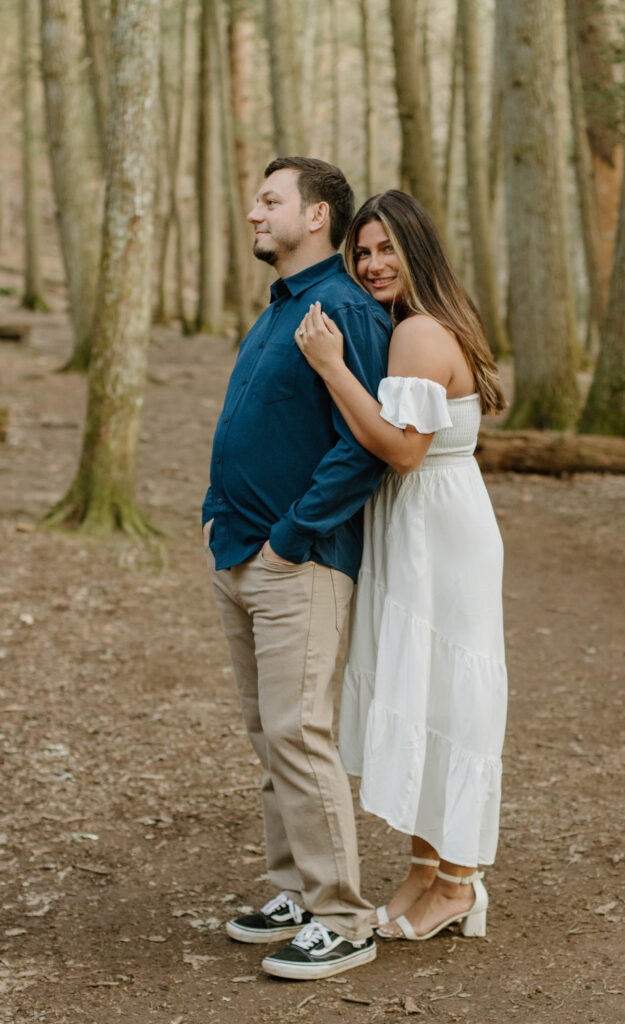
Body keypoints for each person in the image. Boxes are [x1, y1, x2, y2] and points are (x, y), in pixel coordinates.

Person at [295, 189, 507, 942]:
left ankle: (457, 883)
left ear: (416, 252)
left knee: (446, 699)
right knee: (421, 697)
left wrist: (328, 366)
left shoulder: (418, 331)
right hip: (419, 528)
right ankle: (425, 872)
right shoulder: (418, 323)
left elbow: (403, 450)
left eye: (387, 249)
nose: (372, 263)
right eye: (363, 252)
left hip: (439, 530)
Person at [202, 158, 392, 979]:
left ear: (316, 217)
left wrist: (291, 536)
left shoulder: (346, 308)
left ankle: (343, 917)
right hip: (239, 551)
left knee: (298, 733)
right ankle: (295, 892)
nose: (253, 212)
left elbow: (367, 446)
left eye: (269, 200)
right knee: (267, 736)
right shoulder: (280, 307)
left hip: (300, 560)